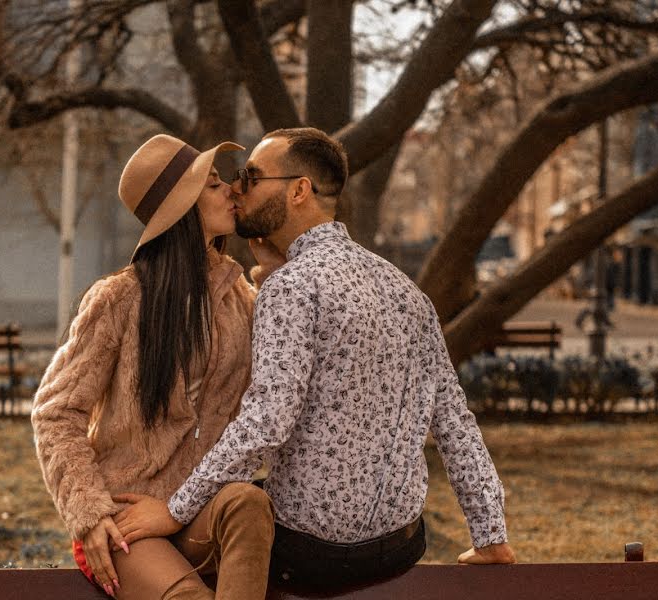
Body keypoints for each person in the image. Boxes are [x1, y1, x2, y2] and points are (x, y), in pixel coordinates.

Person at [113, 127, 516, 589]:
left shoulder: (292, 287)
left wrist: (174, 509)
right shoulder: (407, 292)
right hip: (400, 546)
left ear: (298, 190)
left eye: (251, 177)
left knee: (224, 515)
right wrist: (490, 535)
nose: (237, 189)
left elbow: (268, 420)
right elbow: (454, 421)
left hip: (310, 554)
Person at [32, 134, 283, 600]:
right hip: (126, 520)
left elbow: (272, 407)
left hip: (200, 511)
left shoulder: (243, 302)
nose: (230, 189)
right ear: (183, 207)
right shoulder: (118, 299)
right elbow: (56, 412)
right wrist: (89, 513)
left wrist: (271, 266)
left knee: (248, 501)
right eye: (212, 185)